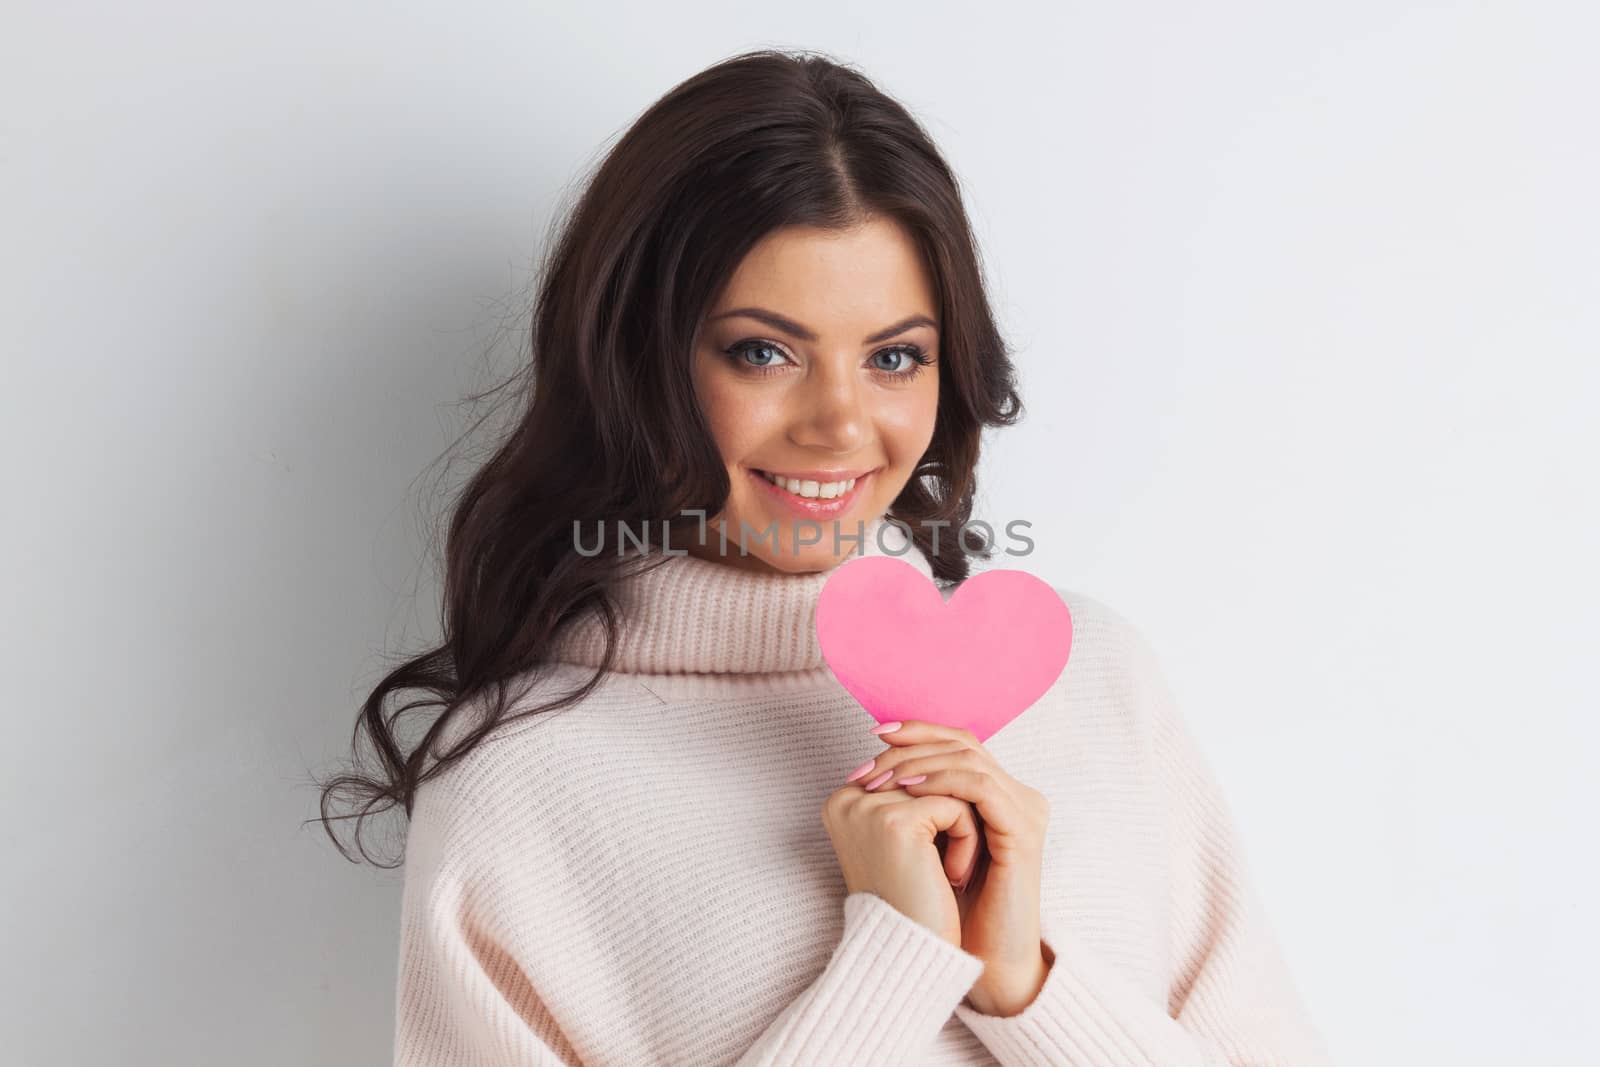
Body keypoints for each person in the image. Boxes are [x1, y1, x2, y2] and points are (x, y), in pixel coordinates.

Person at [317, 48, 1333, 1066]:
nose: (840, 424)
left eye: (893, 356)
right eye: (763, 351)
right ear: (636, 362)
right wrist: (892, 961)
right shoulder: (522, 779)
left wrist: (1024, 985)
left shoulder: (1100, 678)